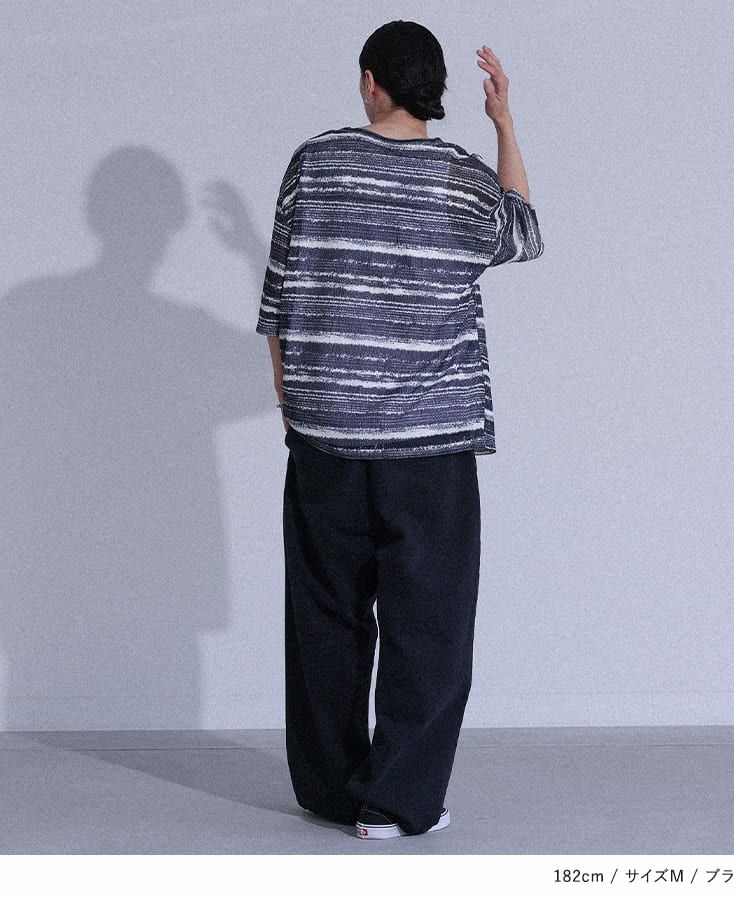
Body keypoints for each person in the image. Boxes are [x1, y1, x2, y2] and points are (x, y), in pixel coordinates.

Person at [255, 20, 544, 839]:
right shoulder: (460, 178)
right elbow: (524, 233)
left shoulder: (315, 162)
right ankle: (395, 801)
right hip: (432, 437)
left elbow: (279, 291)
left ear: (370, 82)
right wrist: (504, 124)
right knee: (430, 621)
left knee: (326, 613)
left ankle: (330, 790)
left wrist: (291, 396)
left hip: (326, 430)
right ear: (436, 90)